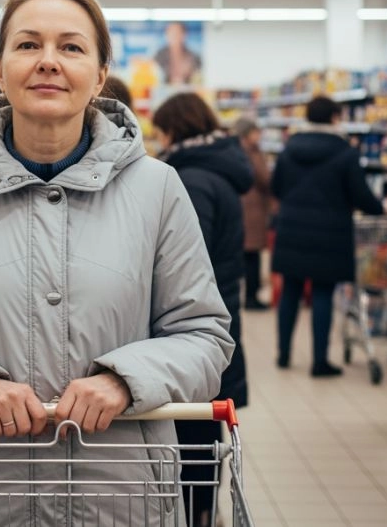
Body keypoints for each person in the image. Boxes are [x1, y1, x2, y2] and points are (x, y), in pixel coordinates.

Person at [0, 0, 235, 527]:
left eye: (72, 47)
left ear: (100, 75)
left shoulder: (157, 188)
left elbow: (205, 335)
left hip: (121, 499)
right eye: (28, 44)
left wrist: (124, 379)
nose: (48, 61)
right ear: (1, 68)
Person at [152, 92, 253, 527]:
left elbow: (188, 265)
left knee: (192, 440)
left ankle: (197, 517)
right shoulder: (219, 170)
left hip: (193, 329)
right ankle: (204, 513)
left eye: (160, 132)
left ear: (175, 129)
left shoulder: (191, 180)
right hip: (220, 314)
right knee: (205, 437)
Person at [270, 95, 384, 377]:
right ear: (334, 117)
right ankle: (319, 361)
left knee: (291, 290)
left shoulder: (289, 148)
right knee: (322, 292)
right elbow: (360, 194)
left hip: (292, 228)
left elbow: (276, 187)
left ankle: (283, 354)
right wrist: (379, 208)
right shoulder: (345, 152)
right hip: (329, 232)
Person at [231, 116, 272, 311]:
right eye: (256, 132)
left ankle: (248, 295)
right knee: (252, 256)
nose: (259, 135)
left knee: (246, 255)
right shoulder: (253, 153)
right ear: (248, 134)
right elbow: (265, 178)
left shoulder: (233, 151)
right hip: (253, 210)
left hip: (241, 206)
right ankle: (251, 297)